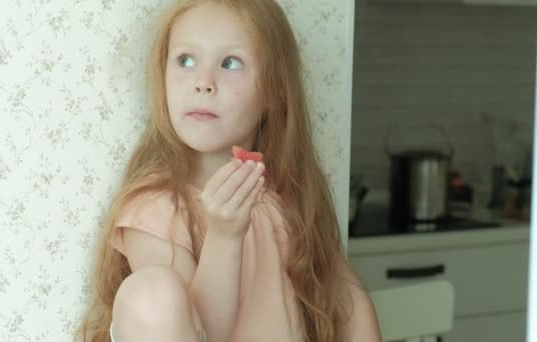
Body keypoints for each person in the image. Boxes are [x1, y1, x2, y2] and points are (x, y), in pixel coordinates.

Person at [75, 0, 382, 341]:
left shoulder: (286, 201)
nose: (203, 82)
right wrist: (224, 236)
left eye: (230, 63)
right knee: (150, 293)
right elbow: (200, 333)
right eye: (185, 61)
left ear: (274, 91)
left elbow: (350, 305)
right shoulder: (155, 211)